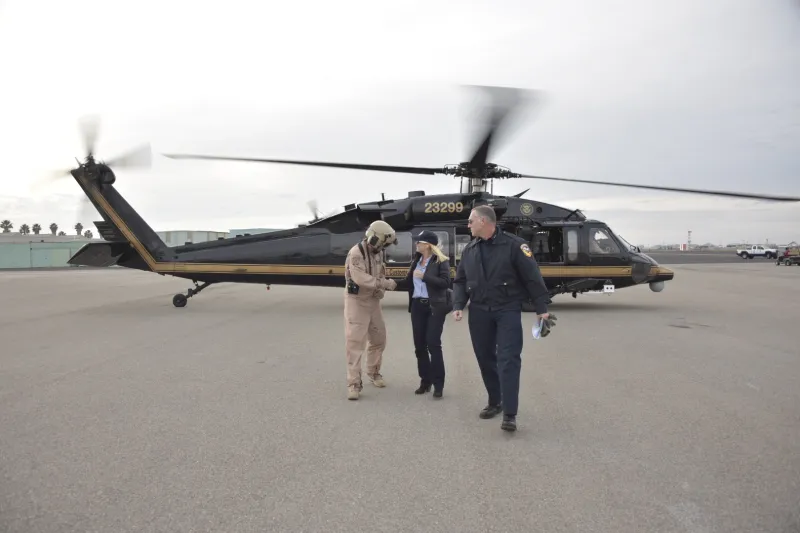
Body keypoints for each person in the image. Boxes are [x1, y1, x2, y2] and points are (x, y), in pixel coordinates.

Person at [451, 205, 550, 432]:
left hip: (507, 309)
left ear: (484, 222)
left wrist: (541, 308)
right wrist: (458, 304)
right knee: (485, 358)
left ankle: (510, 413)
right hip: (478, 311)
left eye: (470, 221)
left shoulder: (514, 246)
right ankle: (495, 401)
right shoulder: (470, 250)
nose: (468, 226)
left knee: (508, 360)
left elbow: (532, 277)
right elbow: (460, 281)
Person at [343, 220, 398, 400]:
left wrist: (379, 288)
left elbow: (380, 273)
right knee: (355, 344)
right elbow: (360, 278)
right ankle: (354, 384)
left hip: (372, 300)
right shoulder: (356, 253)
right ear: (375, 238)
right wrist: (384, 284)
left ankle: (373, 372)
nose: (384, 247)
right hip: (357, 301)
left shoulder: (378, 253)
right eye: (383, 243)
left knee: (379, 338)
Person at [405, 230, 452, 398]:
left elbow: (446, 282)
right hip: (417, 305)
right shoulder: (416, 260)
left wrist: (425, 276)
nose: (416, 244)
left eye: (419, 242)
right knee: (419, 346)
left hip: (434, 306)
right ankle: (425, 381)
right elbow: (408, 282)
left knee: (433, 344)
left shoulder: (441, 261)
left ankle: (439, 384)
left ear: (427, 245)